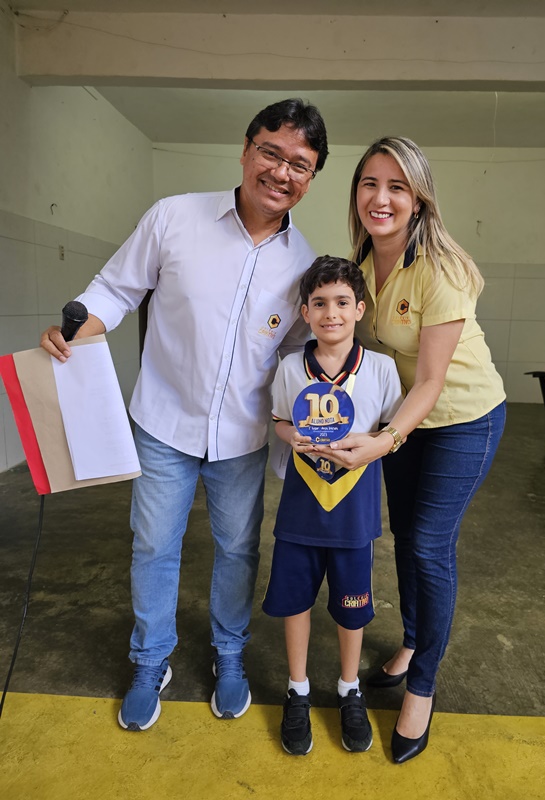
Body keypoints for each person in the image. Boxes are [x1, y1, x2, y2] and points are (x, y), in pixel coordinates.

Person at [40, 98, 329, 731]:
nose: (281, 172)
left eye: (299, 165)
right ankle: (150, 661)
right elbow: (115, 289)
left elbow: (293, 353)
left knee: (238, 550)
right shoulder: (174, 216)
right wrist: (76, 329)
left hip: (243, 438)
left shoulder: (303, 264)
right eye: (271, 153)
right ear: (246, 149)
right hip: (163, 425)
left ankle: (230, 653)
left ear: (311, 178)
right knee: (153, 546)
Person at [313, 137, 506, 764]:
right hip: (404, 422)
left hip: (463, 419)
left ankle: (422, 684)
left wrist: (382, 441)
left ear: (418, 199)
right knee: (404, 536)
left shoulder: (441, 269)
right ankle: (414, 639)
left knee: (428, 543)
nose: (381, 198)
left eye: (397, 186)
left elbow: (429, 380)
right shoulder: (360, 264)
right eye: (370, 183)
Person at [262, 256, 402, 756]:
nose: (331, 313)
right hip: (300, 512)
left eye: (342, 302)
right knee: (295, 602)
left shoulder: (381, 369)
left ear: (360, 309)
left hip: (353, 516)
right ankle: (297, 688)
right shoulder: (290, 368)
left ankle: (349, 688)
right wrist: (292, 436)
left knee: (351, 609)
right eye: (319, 303)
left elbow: (393, 432)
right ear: (305, 311)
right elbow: (279, 421)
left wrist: (373, 444)